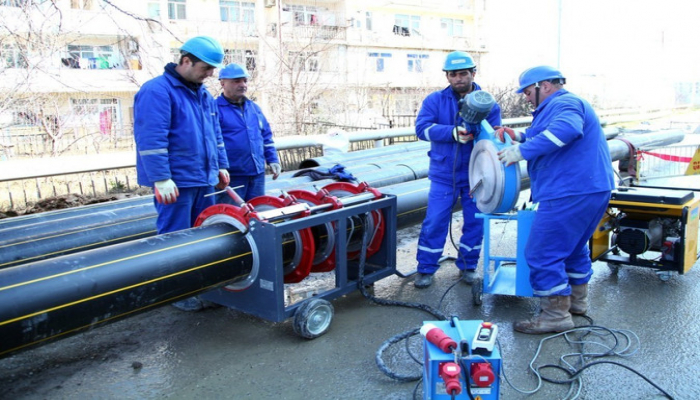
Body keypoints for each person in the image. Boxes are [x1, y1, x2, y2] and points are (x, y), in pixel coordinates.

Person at [495, 66, 615, 334]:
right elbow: (549, 133)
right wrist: (519, 136)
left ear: (544, 86)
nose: (526, 98)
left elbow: (567, 130)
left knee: (543, 253)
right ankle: (576, 303)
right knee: (572, 248)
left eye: (527, 92)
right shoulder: (562, 105)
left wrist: (521, 151)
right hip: (591, 189)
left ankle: (555, 316)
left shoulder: (565, 102)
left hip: (569, 191)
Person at [134, 36, 230, 311]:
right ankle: (177, 292)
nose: (211, 74)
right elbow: (151, 139)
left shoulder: (203, 95)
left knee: (205, 236)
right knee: (175, 238)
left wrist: (220, 165)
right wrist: (160, 178)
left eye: (213, 69)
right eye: (206, 68)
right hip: (177, 182)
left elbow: (215, 135)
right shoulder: (157, 91)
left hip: (204, 178)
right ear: (186, 61)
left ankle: (203, 287)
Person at [413, 51, 502, 289]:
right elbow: (422, 129)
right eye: (453, 74)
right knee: (435, 221)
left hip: (477, 174)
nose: (458, 78)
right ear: (447, 76)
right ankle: (426, 269)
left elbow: (495, 134)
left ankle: (468, 266)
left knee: (475, 222)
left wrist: (482, 133)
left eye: (463, 73)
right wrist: (452, 133)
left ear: (473, 73)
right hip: (444, 174)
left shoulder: (488, 102)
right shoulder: (435, 101)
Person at [216, 63, 281, 203]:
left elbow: (266, 137)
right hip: (232, 176)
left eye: (245, 81)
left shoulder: (254, 108)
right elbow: (212, 142)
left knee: (257, 213)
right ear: (222, 83)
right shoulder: (215, 109)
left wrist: (273, 159)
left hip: (257, 174)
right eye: (236, 81)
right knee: (232, 217)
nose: (243, 85)